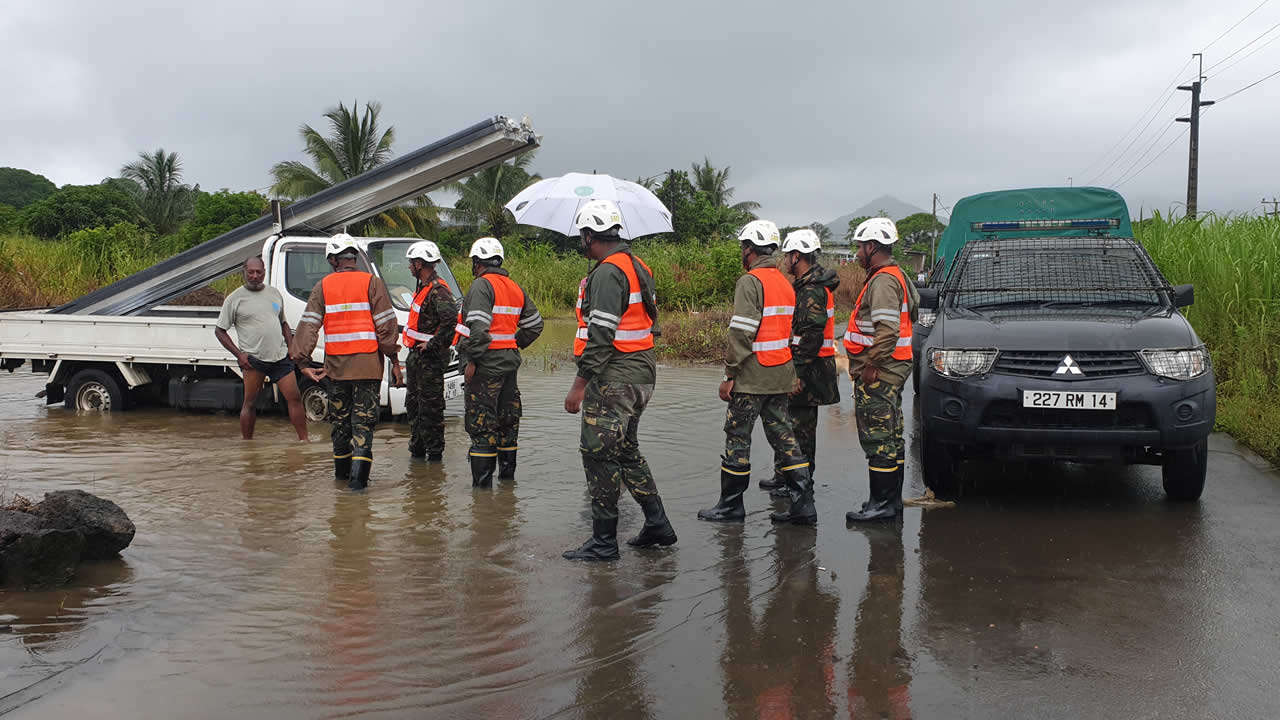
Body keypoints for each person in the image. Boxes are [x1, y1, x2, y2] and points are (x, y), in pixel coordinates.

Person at [561, 199, 676, 561]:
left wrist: (579, 386)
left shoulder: (608, 272)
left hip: (616, 377)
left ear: (589, 235)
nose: (581, 241)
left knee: (599, 454)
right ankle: (657, 523)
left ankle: (604, 541)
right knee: (626, 451)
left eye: (582, 235)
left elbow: (601, 336)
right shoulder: (637, 265)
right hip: (641, 373)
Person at [697, 220, 816, 526]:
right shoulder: (785, 283)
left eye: (743, 247)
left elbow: (742, 333)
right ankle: (804, 505)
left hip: (751, 377)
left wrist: (729, 375)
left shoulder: (750, 282)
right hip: (779, 374)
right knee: (785, 437)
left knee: (737, 438)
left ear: (749, 249)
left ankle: (731, 506)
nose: (742, 252)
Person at [290, 233, 403, 491]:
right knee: (363, 426)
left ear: (333, 260)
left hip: (336, 371)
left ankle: (340, 483)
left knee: (340, 426)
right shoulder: (372, 283)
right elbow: (386, 328)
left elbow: (309, 326)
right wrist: (395, 361)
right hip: (368, 369)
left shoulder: (323, 286)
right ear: (353, 258)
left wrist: (302, 362)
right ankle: (358, 488)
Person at [843, 217, 919, 523]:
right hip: (893, 368)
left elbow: (887, 330)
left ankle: (882, 505)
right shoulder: (895, 275)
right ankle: (890, 502)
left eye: (860, 247)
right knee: (891, 435)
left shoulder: (884, 281)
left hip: (882, 371)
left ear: (873, 246)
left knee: (878, 438)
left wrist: (871, 364)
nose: (857, 253)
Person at [757, 229, 841, 499]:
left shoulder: (812, 290)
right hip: (809, 365)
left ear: (796, 256)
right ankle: (784, 475)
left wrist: (797, 374)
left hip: (810, 369)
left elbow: (811, 336)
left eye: (786, 256)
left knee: (800, 429)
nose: (784, 260)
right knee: (790, 422)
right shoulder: (808, 286)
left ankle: (800, 483)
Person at [454, 237, 543, 488]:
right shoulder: (514, 287)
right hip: (508, 367)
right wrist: (513, 344)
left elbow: (479, 330)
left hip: (485, 368)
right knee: (507, 427)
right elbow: (535, 325)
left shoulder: (481, 286)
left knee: (482, 428)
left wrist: (472, 360)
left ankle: (482, 497)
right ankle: (506, 490)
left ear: (477, 262)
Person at [214, 256, 309, 441]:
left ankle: (304, 440)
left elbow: (283, 323)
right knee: (250, 403)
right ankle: (248, 444)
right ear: (244, 272)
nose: (255, 276)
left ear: (265, 272)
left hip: (280, 357)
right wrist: (239, 355)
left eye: (259, 272)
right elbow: (219, 331)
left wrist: (291, 347)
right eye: (251, 272)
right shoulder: (234, 298)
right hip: (253, 359)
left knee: (294, 397)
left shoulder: (274, 294)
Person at [401, 240, 456, 462]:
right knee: (414, 406)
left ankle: (434, 458)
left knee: (430, 409)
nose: (409, 266)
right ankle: (417, 454)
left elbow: (450, 323)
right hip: (417, 358)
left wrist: (431, 344)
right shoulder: (423, 288)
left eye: (411, 263)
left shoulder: (438, 290)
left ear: (419, 264)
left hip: (430, 361)